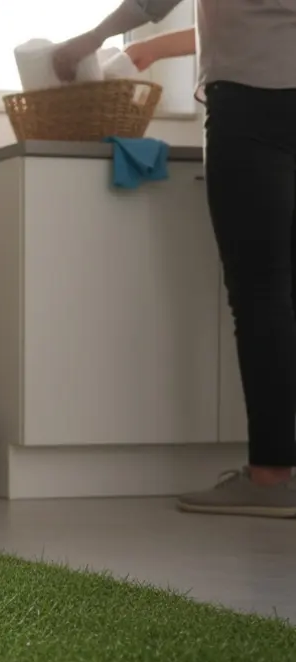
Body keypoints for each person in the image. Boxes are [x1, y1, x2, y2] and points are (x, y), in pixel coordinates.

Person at [54, 1, 296, 517]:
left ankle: (273, 476)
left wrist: (92, 38)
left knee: (262, 295)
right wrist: (153, 47)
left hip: (252, 110)